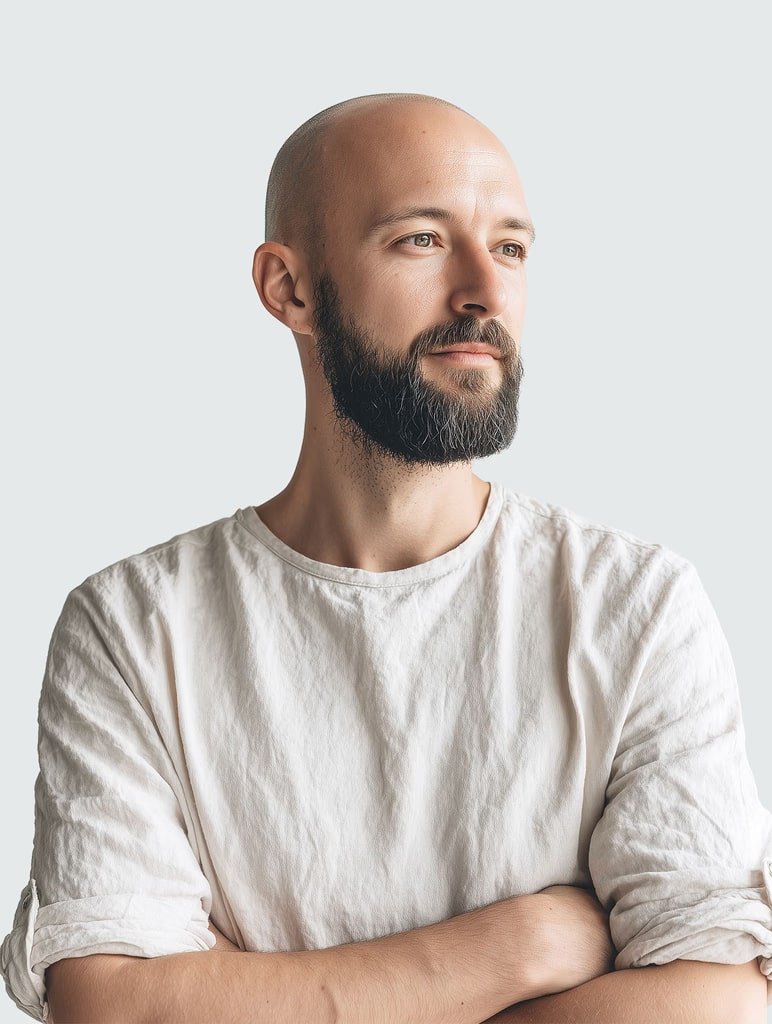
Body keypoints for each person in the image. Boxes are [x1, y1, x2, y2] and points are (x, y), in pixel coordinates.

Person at [2, 92, 770, 1024]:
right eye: (422, 240)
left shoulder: (636, 607)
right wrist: (517, 948)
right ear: (290, 289)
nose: (483, 291)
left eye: (511, 248)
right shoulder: (132, 628)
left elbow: (718, 1004)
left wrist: (242, 992)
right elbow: (113, 1008)